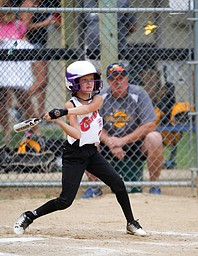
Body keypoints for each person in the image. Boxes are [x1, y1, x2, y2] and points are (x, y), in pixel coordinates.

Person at [13, 60, 147, 237]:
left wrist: (63, 113)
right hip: (74, 154)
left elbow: (91, 108)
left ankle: (131, 222)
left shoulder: (97, 99)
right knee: (65, 201)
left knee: (118, 183)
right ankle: (29, 216)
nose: (89, 83)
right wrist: (59, 120)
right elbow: (76, 134)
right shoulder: (70, 105)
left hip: (92, 152)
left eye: (91, 79)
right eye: (84, 80)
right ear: (74, 84)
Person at [81, 63, 164, 197]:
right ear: (108, 81)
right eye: (113, 79)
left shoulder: (139, 94)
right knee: (86, 138)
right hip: (108, 143)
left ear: (127, 79)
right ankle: (94, 186)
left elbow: (150, 125)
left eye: (121, 78)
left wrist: (122, 141)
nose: (118, 82)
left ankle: (154, 185)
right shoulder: (100, 97)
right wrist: (110, 141)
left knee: (155, 137)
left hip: (135, 142)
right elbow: (92, 124)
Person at [0, 0, 38, 143]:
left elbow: (24, 43)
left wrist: (12, 43)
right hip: (2, 67)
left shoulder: (18, 25)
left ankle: (34, 130)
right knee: (1, 100)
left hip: (16, 69)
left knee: (24, 98)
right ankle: (7, 131)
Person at [19, 0, 60, 116]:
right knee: (42, 80)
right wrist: (44, 23)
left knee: (44, 82)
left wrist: (52, 23)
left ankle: (41, 114)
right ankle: (20, 102)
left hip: (41, 44)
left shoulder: (43, 4)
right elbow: (24, 27)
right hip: (31, 45)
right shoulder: (28, 4)